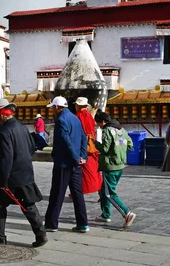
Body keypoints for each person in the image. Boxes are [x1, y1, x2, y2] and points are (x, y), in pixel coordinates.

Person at [0, 98, 47, 248]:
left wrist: (1, 181)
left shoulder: (6, 131)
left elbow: (6, 159)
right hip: (25, 172)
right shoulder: (21, 127)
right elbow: (32, 147)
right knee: (28, 205)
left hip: (11, 177)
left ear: (1, 115)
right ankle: (41, 235)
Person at [44, 96, 89, 233]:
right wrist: (83, 156)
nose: (52, 109)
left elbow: (65, 140)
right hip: (76, 164)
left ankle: (52, 223)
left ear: (57, 107)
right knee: (77, 194)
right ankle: (83, 224)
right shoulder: (75, 118)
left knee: (57, 193)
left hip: (63, 162)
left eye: (53, 107)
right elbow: (83, 137)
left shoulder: (61, 120)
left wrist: (75, 156)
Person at [93, 111, 136, 228]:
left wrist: (94, 142)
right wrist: (119, 150)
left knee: (109, 193)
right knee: (104, 191)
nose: (99, 126)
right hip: (120, 164)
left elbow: (105, 149)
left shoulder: (107, 130)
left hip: (110, 165)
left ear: (103, 122)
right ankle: (105, 214)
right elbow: (130, 145)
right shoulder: (122, 130)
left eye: (99, 124)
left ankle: (127, 213)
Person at [74, 97, 102, 196]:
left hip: (83, 146)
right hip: (92, 145)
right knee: (95, 169)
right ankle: (101, 190)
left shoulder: (78, 116)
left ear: (78, 105)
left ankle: (79, 190)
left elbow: (78, 133)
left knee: (84, 171)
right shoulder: (89, 116)